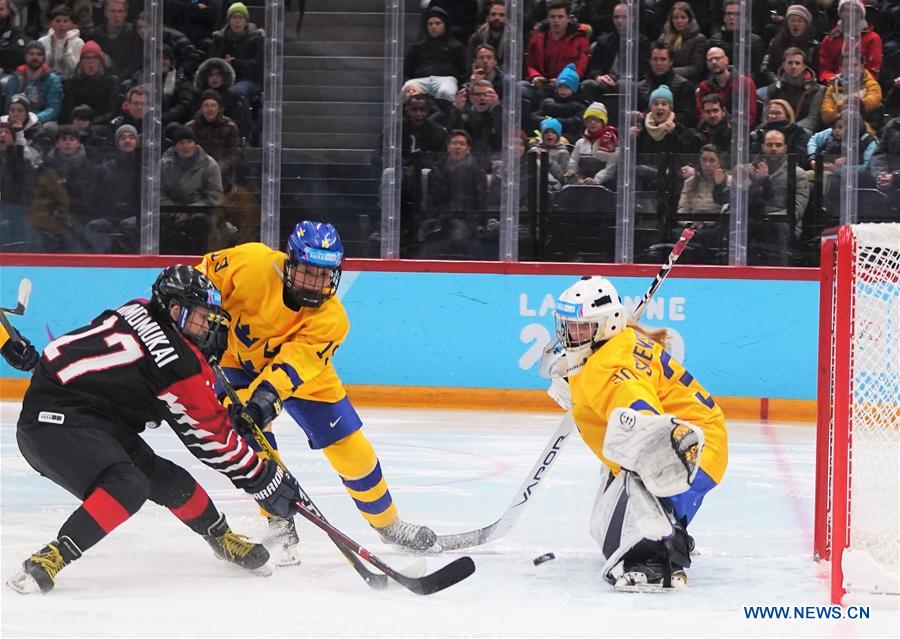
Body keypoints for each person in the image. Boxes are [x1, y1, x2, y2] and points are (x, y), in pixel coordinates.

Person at [5, 265, 302, 595]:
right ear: (175, 310)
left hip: (87, 415)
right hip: (54, 427)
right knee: (128, 485)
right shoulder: (178, 363)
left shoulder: (139, 306)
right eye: (200, 316)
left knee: (164, 477)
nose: (207, 326)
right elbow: (212, 442)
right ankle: (50, 558)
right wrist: (264, 479)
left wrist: (213, 402)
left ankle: (221, 537)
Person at [196, 222, 440, 565]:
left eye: (324, 275)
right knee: (249, 433)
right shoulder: (250, 262)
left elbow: (294, 366)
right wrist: (204, 318)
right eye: (308, 273)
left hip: (305, 377)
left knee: (349, 445)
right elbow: (199, 278)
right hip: (234, 358)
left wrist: (267, 397)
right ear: (290, 262)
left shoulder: (332, 320)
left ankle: (388, 524)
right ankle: (278, 521)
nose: (315, 284)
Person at [545, 275, 727, 589]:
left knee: (619, 542)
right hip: (704, 438)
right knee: (604, 522)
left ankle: (662, 554)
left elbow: (642, 413)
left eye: (581, 327)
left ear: (606, 325)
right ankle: (669, 525)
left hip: (689, 451)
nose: (571, 335)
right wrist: (576, 383)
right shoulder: (614, 346)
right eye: (568, 326)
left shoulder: (609, 366)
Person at [658, 1, 709, 83]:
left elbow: (696, 69)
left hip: (688, 83)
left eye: (683, 17)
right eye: (675, 17)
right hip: (665, 81)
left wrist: (670, 72)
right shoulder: (663, 38)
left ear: (689, 19)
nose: (679, 21)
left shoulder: (699, 39)